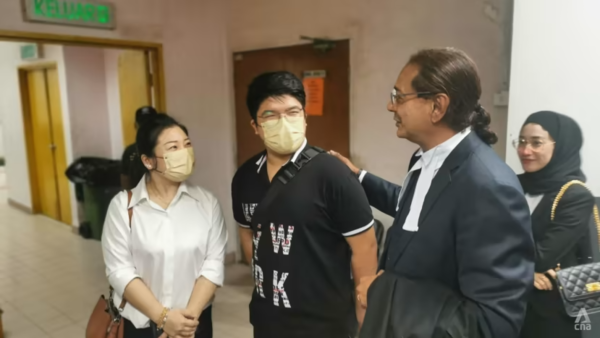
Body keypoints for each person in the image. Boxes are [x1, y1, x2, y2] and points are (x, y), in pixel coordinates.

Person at [330, 47, 535, 337]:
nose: (391, 107)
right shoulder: (427, 157)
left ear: (437, 106)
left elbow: (491, 324)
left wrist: (384, 292)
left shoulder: (490, 189)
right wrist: (358, 177)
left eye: (398, 96)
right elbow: (418, 211)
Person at [231, 71, 378, 338]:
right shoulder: (244, 177)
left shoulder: (332, 174)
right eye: (270, 115)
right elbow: (247, 232)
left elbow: (364, 246)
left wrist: (362, 311)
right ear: (255, 126)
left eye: (292, 112)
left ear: (305, 118)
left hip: (324, 322)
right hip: (267, 318)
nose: (283, 121)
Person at [102, 114, 227, 338]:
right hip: (140, 326)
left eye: (187, 144)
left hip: (194, 324)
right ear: (148, 161)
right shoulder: (123, 207)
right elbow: (119, 271)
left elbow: (213, 264)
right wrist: (164, 318)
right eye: (173, 147)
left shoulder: (207, 204)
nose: (184, 152)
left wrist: (185, 323)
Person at [516, 111, 596, 338]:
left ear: (561, 146)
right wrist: (526, 272)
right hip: (506, 303)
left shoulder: (574, 195)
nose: (525, 150)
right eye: (521, 141)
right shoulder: (510, 184)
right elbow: (480, 237)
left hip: (549, 312)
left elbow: (542, 256)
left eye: (536, 143)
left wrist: (507, 261)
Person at [121, 106, 158, 190]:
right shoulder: (130, 151)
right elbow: (125, 179)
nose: (146, 127)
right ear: (136, 125)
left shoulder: (165, 148)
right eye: (142, 123)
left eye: (150, 123)